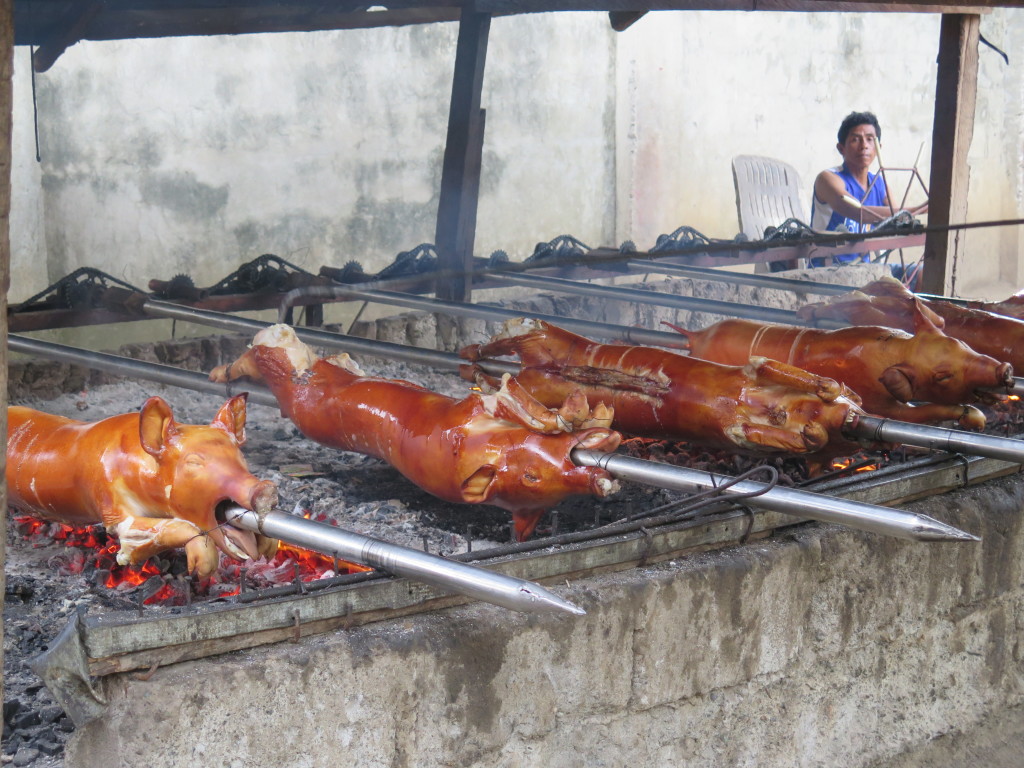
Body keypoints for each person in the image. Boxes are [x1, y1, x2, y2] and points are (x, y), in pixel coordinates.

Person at [809, 111, 927, 268]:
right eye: (855, 139)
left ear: (878, 148)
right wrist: (920, 208)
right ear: (841, 148)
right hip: (828, 271)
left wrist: (910, 217)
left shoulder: (879, 183)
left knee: (920, 274)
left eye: (870, 139)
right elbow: (857, 212)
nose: (864, 145)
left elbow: (897, 219)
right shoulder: (828, 179)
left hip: (865, 269)